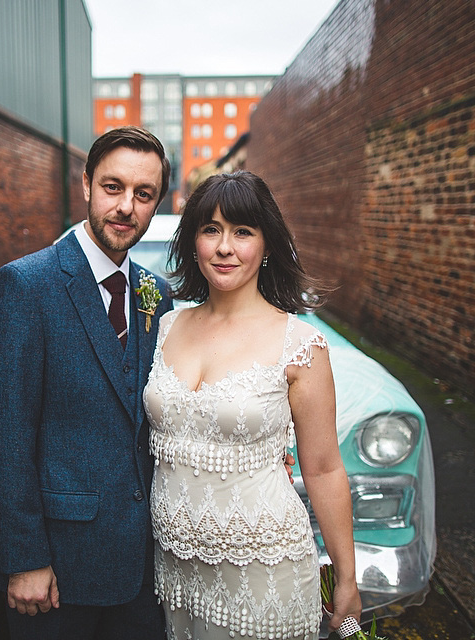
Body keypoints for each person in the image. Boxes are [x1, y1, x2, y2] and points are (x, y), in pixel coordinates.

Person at [0, 126, 175, 639]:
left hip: (144, 568)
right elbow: (4, 435)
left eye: (143, 194)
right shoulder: (25, 285)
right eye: (113, 187)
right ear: (86, 185)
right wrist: (24, 560)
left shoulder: (156, 294)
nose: (127, 206)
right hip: (58, 573)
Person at [145, 170, 363, 639]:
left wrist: (346, 579)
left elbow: (324, 468)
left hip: (264, 571)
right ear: (193, 241)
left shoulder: (300, 345)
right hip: (177, 574)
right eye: (211, 230)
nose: (224, 247)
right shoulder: (164, 327)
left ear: (267, 246)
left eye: (242, 231)